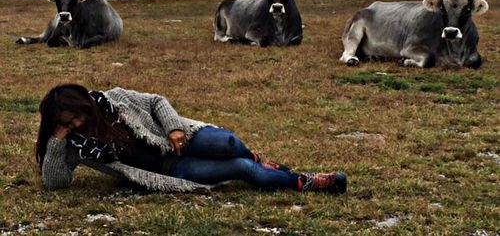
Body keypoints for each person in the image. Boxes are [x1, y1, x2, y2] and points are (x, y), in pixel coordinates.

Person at [36, 84, 347, 193]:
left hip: (182, 140)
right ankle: (306, 181)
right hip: (169, 170)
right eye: (67, 122)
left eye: (76, 115)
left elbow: (156, 101)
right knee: (241, 169)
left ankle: (259, 159)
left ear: (84, 103)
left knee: (227, 144)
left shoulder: (115, 100)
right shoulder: (75, 146)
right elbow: (55, 183)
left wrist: (173, 127)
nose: (77, 123)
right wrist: (56, 140)